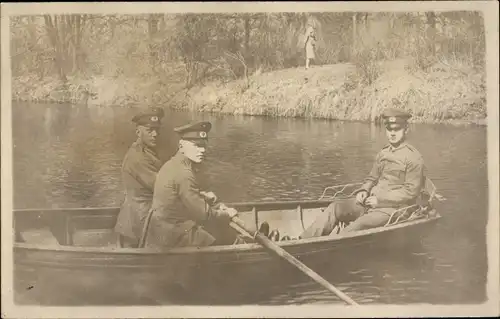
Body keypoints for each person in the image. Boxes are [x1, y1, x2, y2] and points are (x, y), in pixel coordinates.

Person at [297, 108, 426, 239]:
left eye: (397, 129)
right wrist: (364, 190)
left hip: (392, 209)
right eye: (389, 129)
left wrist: (380, 200)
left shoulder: (413, 157)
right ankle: (302, 241)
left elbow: (410, 192)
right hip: (370, 202)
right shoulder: (384, 153)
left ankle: (323, 246)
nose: (392, 133)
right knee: (335, 207)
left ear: (406, 129)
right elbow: (372, 177)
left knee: (357, 226)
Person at [143, 121, 238, 249]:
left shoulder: (175, 164)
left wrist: (202, 196)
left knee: (216, 231)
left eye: (204, 145)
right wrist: (227, 214)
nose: (202, 150)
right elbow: (204, 214)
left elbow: (181, 195)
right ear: (181, 146)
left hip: (163, 228)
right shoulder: (184, 173)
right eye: (196, 146)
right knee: (221, 238)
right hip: (174, 234)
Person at [114, 107, 165, 248]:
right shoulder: (137, 158)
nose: (155, 134)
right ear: (138, 132)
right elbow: (162, 187)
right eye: (149, 130)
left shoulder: (148, 152)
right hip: (139, 222)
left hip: (141, 217)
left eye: (157, 130)